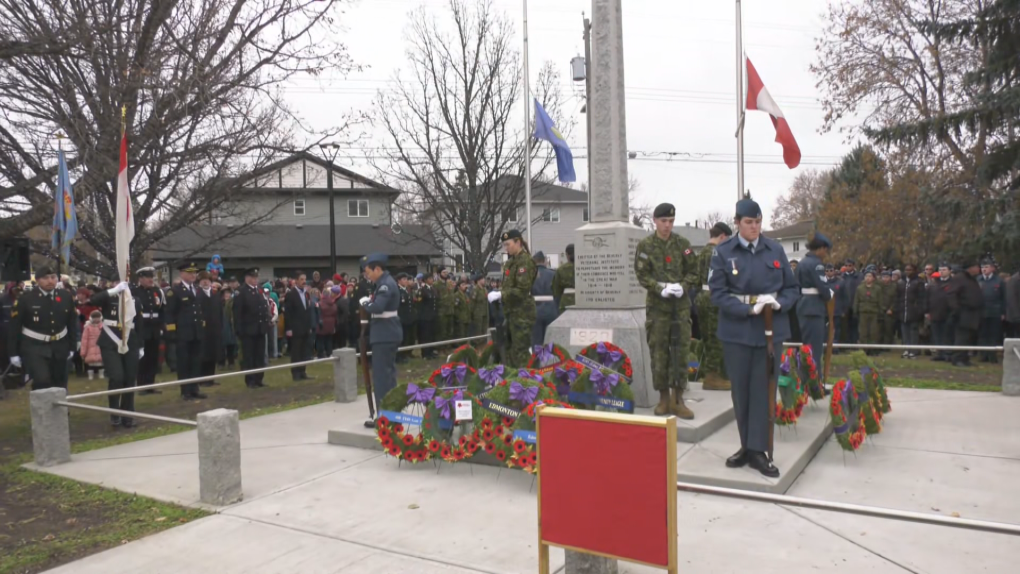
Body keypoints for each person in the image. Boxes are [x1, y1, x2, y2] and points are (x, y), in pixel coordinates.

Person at [709, 198, 799, 478]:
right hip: (738, 329)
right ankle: (746, 446)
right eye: (749, 222)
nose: (754, 227)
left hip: (770, 330)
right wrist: (748, 309)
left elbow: (792, 288)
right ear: (737, 223)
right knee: (741, 391)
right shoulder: (724, 252)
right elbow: (718, 293)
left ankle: (759, 450)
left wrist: (778, 303)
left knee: (764, 390)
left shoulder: (774, 249)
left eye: (758, 222)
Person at [635, 203, 699, 418]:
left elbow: (694, 270)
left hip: (680, 307)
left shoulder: (683, 244)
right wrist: (658, 288)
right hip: (657, 306)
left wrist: (684, 286)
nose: (667, 225)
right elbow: (642, 274)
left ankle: (678, 398)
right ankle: (663, 398)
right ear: (655, 220)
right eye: (663, 221)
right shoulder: (646, 245)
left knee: (680, 351)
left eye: (671, 221)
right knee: (659, 351)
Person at [7, 265, 78, 390]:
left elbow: (72, 322)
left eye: (53, 277)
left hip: (60, 345)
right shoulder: (25, 298)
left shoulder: (65, 296)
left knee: (60, 382)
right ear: (38, 280)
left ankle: (60, 410)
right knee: (42, 381)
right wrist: (13, 353)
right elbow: (14, 327)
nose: (50, 281)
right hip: (34, 346)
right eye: (45, 278)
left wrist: (74, 344)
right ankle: (42, 410)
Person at [89, 279, 144, 427]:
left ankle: (128, 414)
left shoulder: (134, 299)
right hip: (110, 341)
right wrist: (113, 290)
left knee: (130, 379)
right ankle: (115, 412)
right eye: (116, 282)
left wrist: (141, 346)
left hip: (130, 341)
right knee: (117, 377)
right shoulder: (108, 297)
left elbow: (139, 323)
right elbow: (92, 300)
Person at [360, 253, 402, 426]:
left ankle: (385, 419)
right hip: (388, 333)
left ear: (378, 269)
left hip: (384, 335)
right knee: (388, 377)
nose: (367, 275)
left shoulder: (385, 285)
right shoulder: (385, 283)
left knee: (382, 379)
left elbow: (377, 307)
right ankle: (391, 416)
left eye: (368, 271)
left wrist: (364, 303)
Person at [488, 229, 537, 368]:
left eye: (508, 244)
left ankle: (526, 382)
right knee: (508, 350)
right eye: (505, 245)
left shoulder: (525, 262)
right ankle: (512, 381)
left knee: (520, 350)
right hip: (510, 312)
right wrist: (500, 294)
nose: (506, 248)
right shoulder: (510, 263)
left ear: (518, 242)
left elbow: (522, 290)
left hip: (523, 313)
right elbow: (509, 286)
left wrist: (501, 294)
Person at [694, 222, 732, 391]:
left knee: (708, 338)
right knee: (716, 338)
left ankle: (712, 373)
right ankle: (713, 376)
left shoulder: (702, 252)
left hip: (702, 296)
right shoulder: (716, 253)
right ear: (722, 236)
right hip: (713, 297)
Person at [164, 262, 206, 400]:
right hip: (183, 333)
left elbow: (198, 312)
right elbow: (169, 314)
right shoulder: (175, 291)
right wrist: (172, 333)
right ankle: (185, 390)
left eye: (194, 272)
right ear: (182, 274)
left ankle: (195, 388)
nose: (193, 275)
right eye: (190, 272)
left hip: (196, 332)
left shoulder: (196, 289)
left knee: (195, 361)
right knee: (184, 362)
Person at [795, 233, 835, 369]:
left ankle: (808, 381)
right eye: (826, 250)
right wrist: (829, 294)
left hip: (803, 306)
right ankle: (814, 385)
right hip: (814, 308)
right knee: (814, 350)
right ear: (820, 249)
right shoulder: (817, 265)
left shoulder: (802, 263)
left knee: (807, 347)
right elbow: (823, 289)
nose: (826, 254)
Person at [234, 268, 270, 388]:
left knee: (260, 355)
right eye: (253, 278)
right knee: (249, 356)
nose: (255, 280)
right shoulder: (241, 292)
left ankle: (259, 378)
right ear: (247, 278)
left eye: (256, 278)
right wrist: (239, 330)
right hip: (248, 330)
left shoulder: (259, 290)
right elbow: (238, 313)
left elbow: (263, 307)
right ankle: (250, 380)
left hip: (260, 329)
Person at [134, 267, 165, 395]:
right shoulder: (134, 292)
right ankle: (141, 385)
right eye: (147, 277)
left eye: (151, 277)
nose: (150, 280)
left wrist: (162, 326)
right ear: (140, 279)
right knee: (143, 358)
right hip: (142, 327)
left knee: (153, 358)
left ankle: (150, 384)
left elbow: (162, 309)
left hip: (155, 328)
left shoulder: (157, 291)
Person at [948, 260, 984, 367]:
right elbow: (952, 295)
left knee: (969, 337)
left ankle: (965, 358)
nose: (979, 269)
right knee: (962, 337)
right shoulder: (960, 278)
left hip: (973, 313)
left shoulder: (972, 279)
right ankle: (957, 358)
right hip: (963, 312)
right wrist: (957, 309)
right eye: (977, 267)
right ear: (970, 268)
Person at [284, 272, 314, 381]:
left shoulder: (305, 293)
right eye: (301, 279)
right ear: (296, 280)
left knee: (304, 351)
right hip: (296, 328)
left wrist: (309, 326)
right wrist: (289, 329)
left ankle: (302, 371)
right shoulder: (291, 294)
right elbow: (288, 313)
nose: (304, 281)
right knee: (296, 351)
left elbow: (307, 311)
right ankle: (296, 373)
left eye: (305, 279)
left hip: (305, 327)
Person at [977, 258, 1006, 363]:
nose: (984, 269)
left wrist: (1003, 312)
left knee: (993, 334)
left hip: (995, 312)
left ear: (992, 268)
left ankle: (992, 356)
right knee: (983, 334)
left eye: (986, 267)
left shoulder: (999, 281)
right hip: (981, 312)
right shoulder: (978, 280)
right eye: (982, 267)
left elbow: (1004, 297)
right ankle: (983, 355)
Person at [896, 264, 926, 358]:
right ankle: (906, 349)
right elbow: (898, 297)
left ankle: (914, 351)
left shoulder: (919, 282)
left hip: (914, 311)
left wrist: (920, 310)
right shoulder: (901, 282)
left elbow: (922, 298)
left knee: (914, 332)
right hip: (903, 310)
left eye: (910, 270)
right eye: (906, 270)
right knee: (904, 332)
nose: (908, 271)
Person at [197, 272, 222, 387]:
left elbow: (219, 313)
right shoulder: (197, 294)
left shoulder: (215, 295)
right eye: (203, 280)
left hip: (214, 330)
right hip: (202, 330)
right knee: (203, 355)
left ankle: (211, 378)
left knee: (213, 354)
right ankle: (202, 379)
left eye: (207, 280)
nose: (205, 282)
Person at [927, 264, 953, 361]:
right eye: (940, 270)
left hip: (948, 314)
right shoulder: (934, 284)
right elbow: (928, 298)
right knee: (937, 335)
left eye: (944, 269)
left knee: (947, 335)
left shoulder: (953, 283)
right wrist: (927, 311)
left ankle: (948, 353)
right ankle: (940, 353)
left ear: (949, 271)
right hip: (935, 313)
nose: (942, 271)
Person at [853, 270, 883, 354]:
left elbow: (880, 301)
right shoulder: (860, 288)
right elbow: (856, 300)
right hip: (863, 312)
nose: (868, 278)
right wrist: (855, 311)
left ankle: (873, 350)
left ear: (873, 278)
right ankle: (864, 349)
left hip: (874, 312)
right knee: (863, 332)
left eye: (870, 276)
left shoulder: (877, 289)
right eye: (866, 276)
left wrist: (881, 312)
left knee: (873, 332)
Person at [531, 251, 557, 347]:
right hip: (552, 309)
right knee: (550, 342)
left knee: (536, 342)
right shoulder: (553, 274)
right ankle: (549, 362)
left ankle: (537, 361)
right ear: (544, 261)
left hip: (535, 310)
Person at [396, 273, 416, 362]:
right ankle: (399, 356)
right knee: (401, 338)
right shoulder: (397, 291)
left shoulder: (407, 290)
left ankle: (406, 353)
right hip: (401, 318)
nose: (406, 281)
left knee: (407, 337)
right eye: (403, 279)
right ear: (399, 281)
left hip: (408, 318)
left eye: (406, 279)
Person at [551, 244, 576, 315]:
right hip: (583, 301)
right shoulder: (585, 268)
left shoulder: (561, 269)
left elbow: (556, 290)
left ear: (567, 255)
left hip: (566, 302)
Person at [417, 274, 438, 358]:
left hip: (432, 316)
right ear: (425, 280)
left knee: (432, 334)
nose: (431, 280)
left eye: (432, 278)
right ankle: (425, 353)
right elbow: (419, 304)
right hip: (425, 317)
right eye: (429, 279)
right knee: (425, 335)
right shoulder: (422, 290)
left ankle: (431, 351)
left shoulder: (433, 289)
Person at [80, 310, 104, 380]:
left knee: (100, 362)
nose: (96, 319)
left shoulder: (103, 326)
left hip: (100, 346)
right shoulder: (87, 327)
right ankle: (90, 375)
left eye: (98, 317)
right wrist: (83, 352)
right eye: (94, 317)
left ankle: (101, 374)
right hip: (90, 347)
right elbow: (84, 340)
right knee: (90, 362)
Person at [220, 288, 238, 368]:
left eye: (228, 293)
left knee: (231, 345)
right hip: (221, 325)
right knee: (221, 346)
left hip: (230, 325)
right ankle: (221, 363)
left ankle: (231, 362)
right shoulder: (219, 303)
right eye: (225, 293)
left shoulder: (233, 302)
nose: (227, 295)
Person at [435, 267, 453, 345]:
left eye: (446, 272)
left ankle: (447, 347)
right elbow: (437, 298)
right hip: (441, 311)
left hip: (450, 310)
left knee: (450, 330)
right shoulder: (436, 284)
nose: (445, 274)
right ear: (439, 274)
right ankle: (441, 348)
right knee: (442, 331)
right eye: (443, 272)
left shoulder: (449, 283)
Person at [878, 271, 896, 346]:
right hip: (880, 309)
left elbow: (896, 299)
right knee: (879, 328)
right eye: (884, 277)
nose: (885, 279)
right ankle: (879, 344)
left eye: (887, 277)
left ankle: (887, 345)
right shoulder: (878, 286)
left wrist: (891, 309)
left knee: (888, 329)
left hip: (890, 310)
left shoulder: (894, 286)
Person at [470, 274, 490, 340]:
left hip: (485, 313)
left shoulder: (484, 289)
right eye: (482, 279)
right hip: (478, 314)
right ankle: (477, 345)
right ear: (478, 281)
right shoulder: (475, 290)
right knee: (478, 332)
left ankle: (483, 345)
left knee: (484, 331)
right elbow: (472, 303)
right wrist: (471, 314)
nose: (484, 280)